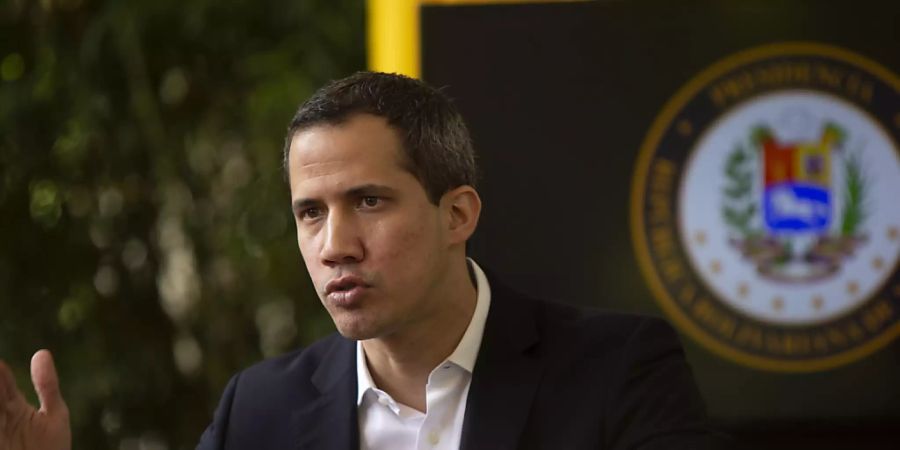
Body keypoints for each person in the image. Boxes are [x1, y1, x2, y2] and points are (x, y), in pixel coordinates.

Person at [0, 72, 713, 450]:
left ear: (457, 214)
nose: (333, 243)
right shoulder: (261, 410)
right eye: (310, 212)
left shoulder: (618, 372)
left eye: (368, 201)